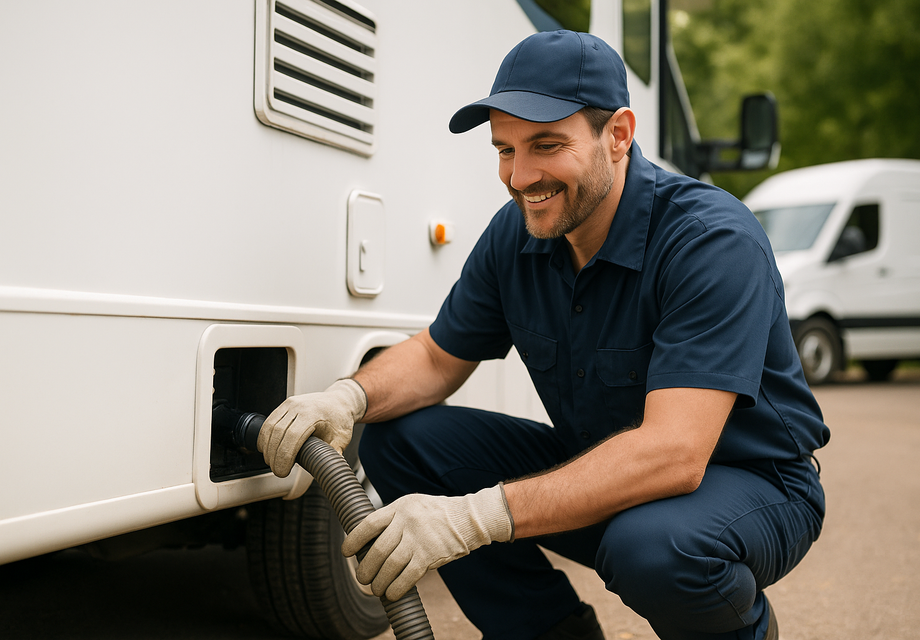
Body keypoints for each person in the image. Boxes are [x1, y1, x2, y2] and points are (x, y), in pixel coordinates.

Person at [258, 30, 829, 640]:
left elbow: (675, 453)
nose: (520, 175)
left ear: (618, 135)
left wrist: (473, 519)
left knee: (654, 550)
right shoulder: (519, 233)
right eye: (505, 149)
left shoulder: (709, 241)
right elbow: (434, 357)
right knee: (402, 441)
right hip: (603, 464)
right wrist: (346, 397)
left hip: (749, 484)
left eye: (546, 145)